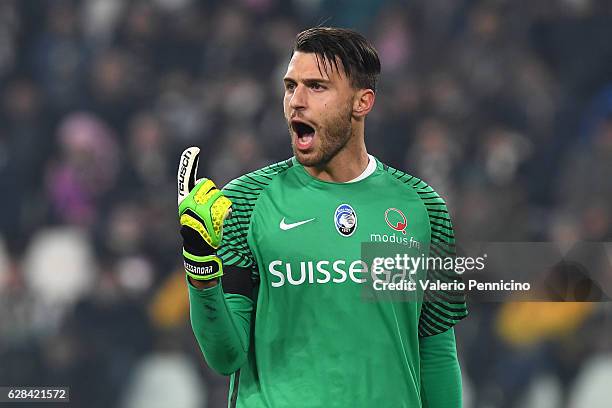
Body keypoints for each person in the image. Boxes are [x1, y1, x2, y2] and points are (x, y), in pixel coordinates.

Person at [177, 27, 468, 407]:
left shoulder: (422, 207)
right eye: (290, 86)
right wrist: (200, 268)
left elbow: (436, 354)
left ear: (362, 103)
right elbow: (225, 356)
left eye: (316, 87)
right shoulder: (244, 201)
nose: (296, 101)